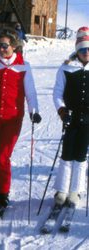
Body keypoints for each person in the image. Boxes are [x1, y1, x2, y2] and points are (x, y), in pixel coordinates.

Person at [0, 29, 41, 212]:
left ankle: (3, 193)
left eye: (4, 45)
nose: (1, 49)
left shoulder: (24, 66)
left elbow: (30, 92)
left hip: (13, 118)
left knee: (1, 156)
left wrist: (34, 111)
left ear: (13, 46)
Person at [53, 26, 89, 208]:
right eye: (83, 49)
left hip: (87, 119)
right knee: (67, 153)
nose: (87, 52)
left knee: (81, 154)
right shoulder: (67, 67)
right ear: (77, 50)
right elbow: (58, 92)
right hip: (70, 117)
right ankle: (62, 190)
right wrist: (62, 110)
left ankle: (75, 191)